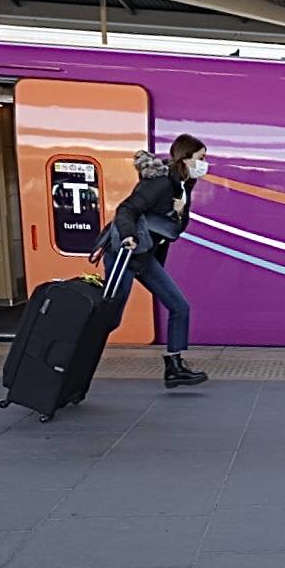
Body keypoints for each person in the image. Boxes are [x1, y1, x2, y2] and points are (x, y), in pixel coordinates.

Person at [106, 134, 208, 388]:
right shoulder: (160, 183)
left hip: (145, 256)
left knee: (179, 306)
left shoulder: (182, 187)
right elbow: (126, 210)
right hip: (125, 253)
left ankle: (174, 367)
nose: (204, 164)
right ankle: (71, 357)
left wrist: (181, 212)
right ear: (185, 158)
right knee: (109, 316)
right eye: (201, 158)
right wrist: (128, 236)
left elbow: (174, 230)